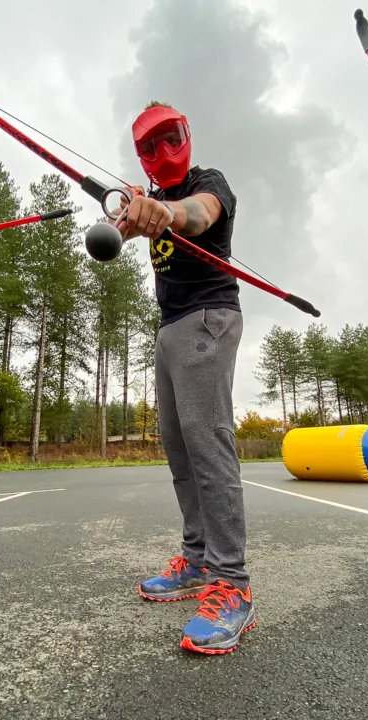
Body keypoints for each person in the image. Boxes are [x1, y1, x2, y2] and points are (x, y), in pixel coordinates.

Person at [111, 101, 254, 654]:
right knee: (179, 446)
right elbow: (113, 235)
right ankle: (197, 560)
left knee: (207, 442)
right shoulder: (148, 197)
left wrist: (165, 212)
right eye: (149, 145)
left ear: (186, 135)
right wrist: (126, 216)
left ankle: (232, 582)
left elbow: (199, 214)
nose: (162, 151)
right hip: (171, 326)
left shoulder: (207, 182)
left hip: (207, 317)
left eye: (170, 136)